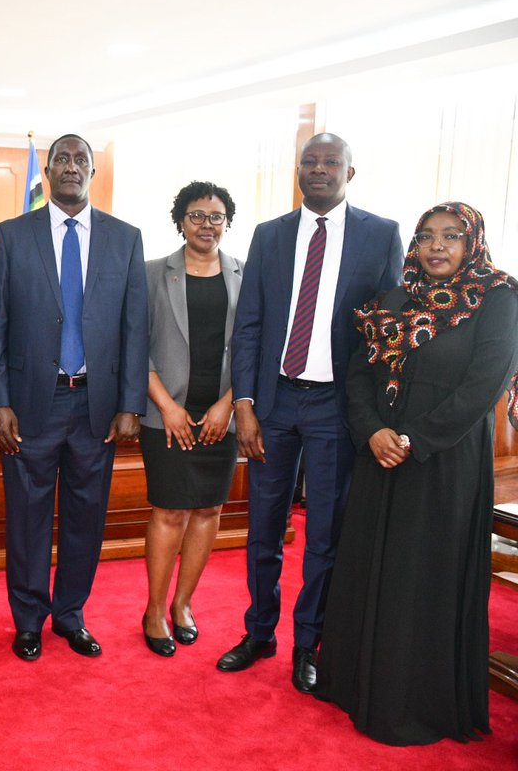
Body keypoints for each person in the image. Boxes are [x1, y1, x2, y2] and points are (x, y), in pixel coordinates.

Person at [316, 202, 518, 745]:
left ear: (471, 242)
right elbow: (358, 375)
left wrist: (415, 439)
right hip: (380, 454)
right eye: (427, 236)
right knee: (370, 566)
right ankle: (357, 684)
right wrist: (373, 432)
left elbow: (485, 385)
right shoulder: (392, 299)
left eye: (451, 237)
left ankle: (413, 702)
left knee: (420, 574)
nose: (437, 246)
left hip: (443, 459)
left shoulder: (498, 297)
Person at [221, 133, 403, 692]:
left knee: (325, 532)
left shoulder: (381, 235)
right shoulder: (270, 234)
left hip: (335, 406)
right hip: (272, 402)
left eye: (331, 162)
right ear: (298, 171)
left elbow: (387, 334)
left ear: (351, 172)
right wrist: (245, 404)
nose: (319, 169)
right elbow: (248, 323)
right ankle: (259, 632)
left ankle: (308, 642)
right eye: (310, 161)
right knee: (263, 530)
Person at [0, 134, 148, 661]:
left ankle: (70, 614)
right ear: (47, 171)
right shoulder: (11, 235)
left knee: (86, 516)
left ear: (92, 170)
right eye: (62, 159)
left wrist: (130, 403)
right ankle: (28, 619)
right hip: (33, 404)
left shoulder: (125, 238)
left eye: (81, 159)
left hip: (95, 408)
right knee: (27, 518)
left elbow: (134, 326)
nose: (71, 167)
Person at [140, 181, 243, 658]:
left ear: (227, 221)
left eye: (216, 215)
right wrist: (167, 405)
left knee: (208, 510)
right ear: (180, 220)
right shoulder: (151, 273)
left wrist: (229, 402)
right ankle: (155, 609)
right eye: (197, 215)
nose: (207, 224)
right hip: (167, 413)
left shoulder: (246, 274)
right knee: (170, 510)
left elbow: (253, 347)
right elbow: (133, 347)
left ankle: (184, 604)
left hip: (223, 415)